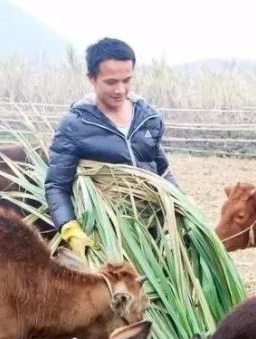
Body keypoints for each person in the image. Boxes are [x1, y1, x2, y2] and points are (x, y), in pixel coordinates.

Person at [45, 37, 179, 258]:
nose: (120, 90)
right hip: (104, 235)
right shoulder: (76, 124)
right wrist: (69, 228)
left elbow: (162, 170)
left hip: (151, 231)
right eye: (111, 82)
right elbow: (57, 186)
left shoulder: (148, 118)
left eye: (127, 80)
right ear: (92, 78)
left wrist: (183, 205)